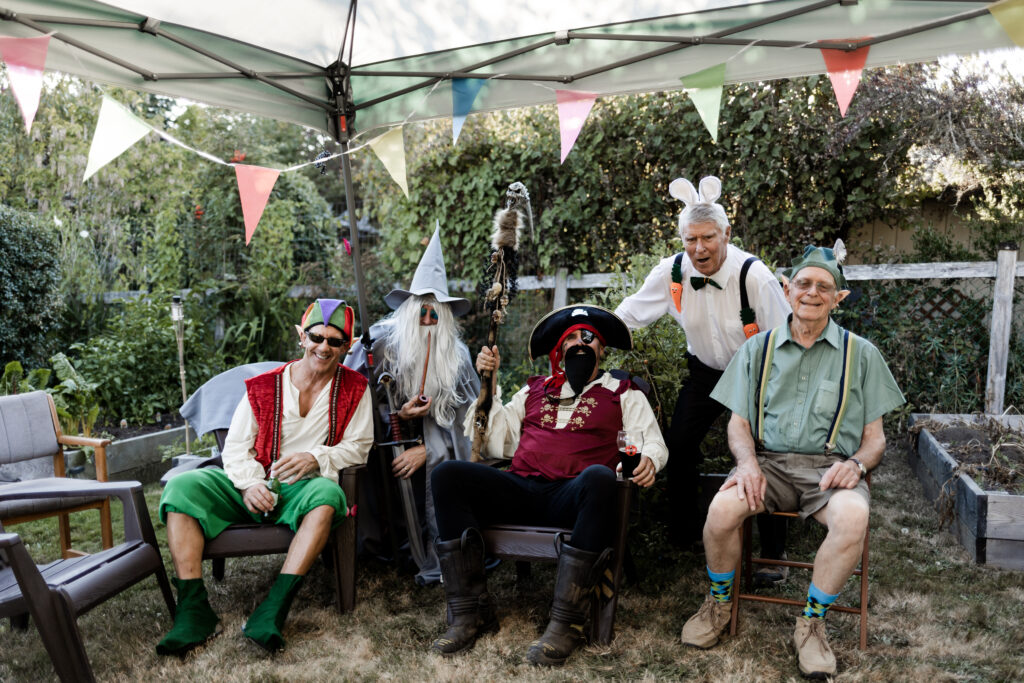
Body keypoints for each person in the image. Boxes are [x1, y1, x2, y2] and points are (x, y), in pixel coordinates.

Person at [679, 245, 905, 678]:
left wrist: (856, 465)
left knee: (853, 519)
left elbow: (875, 441)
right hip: (768, 465)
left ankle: (812, 624)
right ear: (787, 289)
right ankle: (719, 604)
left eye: (825, 287)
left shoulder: (862, 355)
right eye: (803, 283)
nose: (812, 293)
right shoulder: (756, 349)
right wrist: (746, 464)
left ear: (839, 298)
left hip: (831, 469)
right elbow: (737, 426)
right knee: (722, 510)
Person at [428, 305, 668, 666]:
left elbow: (649, 441)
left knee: (599, 477)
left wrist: (648, 458)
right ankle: (470, 612)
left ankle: (566, 624)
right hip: (522, 489)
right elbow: (498, 442)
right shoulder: (533, 391)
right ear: (558, 350)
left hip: (574, 498)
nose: (580, 343)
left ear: (602, 350)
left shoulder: (622, 391)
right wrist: (489, 386)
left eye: (589, 338)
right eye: (570, 338)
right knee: (447, 475)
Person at [156, 299, 373, 655]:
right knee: (183, 487)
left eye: (335, 341)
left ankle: (273, 609)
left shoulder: (355, 388)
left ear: (347, 346)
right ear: (302, 337)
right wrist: (249, 484)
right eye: (317, 337)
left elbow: (359, 447)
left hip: (302, 489)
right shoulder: (263, 386)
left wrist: (315, 456)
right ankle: (194, 611)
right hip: (252, 483)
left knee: (329, 497)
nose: (324, 347)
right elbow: (237, 447)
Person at [615, 175, 791, 582]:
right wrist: (588, 333)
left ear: (726, 233)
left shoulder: (754, 276)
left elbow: (785, 337)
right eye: (690, 239)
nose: (699, 249)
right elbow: (628, 314)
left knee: (764, 451)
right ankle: (684, 537)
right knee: (678, 443)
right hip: (706, 371)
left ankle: (772, 555)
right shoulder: (672, 272)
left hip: (757, 374)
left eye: (708, 238)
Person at [345, 226, 479, 585]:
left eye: (436, 315)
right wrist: (398, 417)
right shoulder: (379, 345)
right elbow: (352, 402)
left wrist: (427, 447)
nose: (428, 322)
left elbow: (469, 425)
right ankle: (378, 547)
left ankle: (436, 552)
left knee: (440, 469)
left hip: (431, 448)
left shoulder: (457, 358)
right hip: (383, 443)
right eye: (421, 312)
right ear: (408, 311)